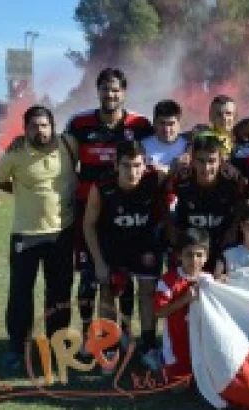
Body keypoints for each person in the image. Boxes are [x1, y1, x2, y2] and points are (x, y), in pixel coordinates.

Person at [65, 68, 154, 344]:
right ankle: (89, 334)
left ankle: (124, 334)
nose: (110, 94)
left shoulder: (140, 125)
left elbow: (154, 155)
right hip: (88, 210)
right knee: (89, 278)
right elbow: (66, 162)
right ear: (98, 91)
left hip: (126, 210)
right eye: (105, 88)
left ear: (124, 92)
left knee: (123, 276)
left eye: (115, 89)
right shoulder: (79, 124)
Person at [0, 106, 77, 371]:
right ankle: (17, 346)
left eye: (44, 125)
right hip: (26, 235)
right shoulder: (17, 152)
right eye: (34, 126)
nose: (39, 131)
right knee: (20, 293)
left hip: (62, 233)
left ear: (52, 126)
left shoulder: (69, 144)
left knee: (60, 293)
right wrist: (21, 191)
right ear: (25, 128)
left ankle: (57, 344)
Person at [83, 140, 165, 370]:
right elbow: (88, 225)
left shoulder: (155, 179)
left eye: (137, 165)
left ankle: (148, 346)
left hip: (144, 245)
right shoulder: (102, 186)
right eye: (127, 166)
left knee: (148, 293)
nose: (133, 172)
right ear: (117, 164)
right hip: (113, 246)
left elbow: (174, 184)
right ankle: (108, 346)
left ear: (145, 164)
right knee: (107, 291)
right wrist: (99, 262)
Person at [167, 136, 242, 271]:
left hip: (222, 241)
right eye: (201, 161)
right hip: (189, 244)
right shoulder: (180, 180)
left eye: (212, 161)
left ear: (221, 161)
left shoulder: (233, 181)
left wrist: (234, 229)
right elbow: (163, 201)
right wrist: (171, 227)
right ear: (192, 160)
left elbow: (242, 204)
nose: (206, 167)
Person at [155, 227, 212, 383]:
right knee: (178, 388)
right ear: (179, 255)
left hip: (202, 345)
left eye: (199, 255)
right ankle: (164, 358)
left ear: (206, 257)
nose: (194, 260)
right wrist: (184, 300)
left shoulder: (210, 281)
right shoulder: (168, 280)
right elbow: (159, 313)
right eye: (189, 255)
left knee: (206, 385)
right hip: (177, 346)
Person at [141, 99, 189, 173]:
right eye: (162, 123)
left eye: (171, 124)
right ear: (154, 123)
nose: (166, 129)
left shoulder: (188, 147)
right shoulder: (142, 147)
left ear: (179, 124)